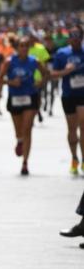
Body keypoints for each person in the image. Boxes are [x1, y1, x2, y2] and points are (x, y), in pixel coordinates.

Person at [0, 36, 49, 175]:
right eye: (22, 46)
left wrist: (40, 83)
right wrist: (11, 82)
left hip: (30, 96)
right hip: (15, 98)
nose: (24, 48)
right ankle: (19, 141)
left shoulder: (34, 61)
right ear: (17, 48)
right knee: (19, 130)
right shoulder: (9, 61)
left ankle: (25, 163)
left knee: (27, 129)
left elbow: (46, 74)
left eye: (27, 46)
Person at [51, 25, 84, 175]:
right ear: (69, 38)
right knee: (72, 129)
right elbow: (54, 74)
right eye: (73, 36)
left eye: (78, 37)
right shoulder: (61, 53)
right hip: (68, 95)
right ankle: (74, 158)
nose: (75, 40)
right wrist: (67, 71)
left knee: (83, 125)